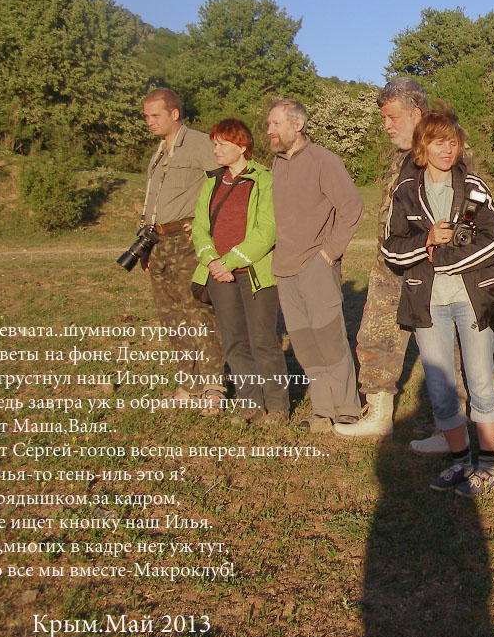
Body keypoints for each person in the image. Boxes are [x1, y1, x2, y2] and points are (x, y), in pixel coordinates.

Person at [335, 78, 471, 453]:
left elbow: (465, 211)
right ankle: (378, 416)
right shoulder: (400, 157)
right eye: (383, 118)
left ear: (416, 113)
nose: (386, 126)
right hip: (390, 266)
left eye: (392, 117)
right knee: (375, 336)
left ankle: (451, 431)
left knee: (444, 350)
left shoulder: (446, 152)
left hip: (432, 268)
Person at [380, 108, 494, 497]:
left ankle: (486, 466)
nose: (448, 150)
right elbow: (391, 249)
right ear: (423, 146)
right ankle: (461, 462)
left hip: (473, 298)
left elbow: (493, 240)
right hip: (427, 302)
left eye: (453, 142)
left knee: (480, 382)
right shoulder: (406, 191)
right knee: (440, 388)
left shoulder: (474, 187)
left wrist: (445, 260)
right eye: (439, 143)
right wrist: (428, 240)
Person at [267, 98, 365, 432]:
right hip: (284, 268)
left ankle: (347, 407)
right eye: (269, 124)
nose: (269, 130)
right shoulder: (276, 164)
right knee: (304, 343)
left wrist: (329, 253)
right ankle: (323, 410)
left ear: (297, 125)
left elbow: (352, 207)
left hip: (316, 265)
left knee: (329, 339)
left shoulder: (324, 160)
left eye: (275, 123)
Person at [191, 118, 289, 425]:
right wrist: (212, 261)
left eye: (222, 144)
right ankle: (251, 406)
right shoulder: (211, 182)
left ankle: (278, 407)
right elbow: (199, 228)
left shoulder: (264, 179)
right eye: (214, 144)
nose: (216, 150)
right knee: (234, 342)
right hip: (218, 275)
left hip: (255, 274)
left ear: (242, 146)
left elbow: (267, 229)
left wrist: (229, 262)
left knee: (263, 341)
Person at [138, 88, 225, 410]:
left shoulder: (200, 144)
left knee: (199, 313)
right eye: (146, 116)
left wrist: (206, 222)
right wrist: (144, 244)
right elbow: (152, 202)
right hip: (158, 243)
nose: (149, 122)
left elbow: (224, 181)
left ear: (174, 114)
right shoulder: (159, 152)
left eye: (155, 115)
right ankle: (188, 384)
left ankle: (213, 387)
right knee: (171, 318)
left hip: (187, 243)